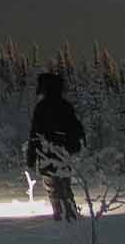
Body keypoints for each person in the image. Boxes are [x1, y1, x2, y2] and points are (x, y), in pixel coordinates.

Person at [26, 71, 85, 221]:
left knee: (53, 187)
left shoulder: (42, 107)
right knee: (64, 185)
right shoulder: (65, 106)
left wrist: (31, 157)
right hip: (63, 153)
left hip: (47, 153)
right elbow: (76, 128)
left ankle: (61, 216)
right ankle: (70, 215)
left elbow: (35, 133)